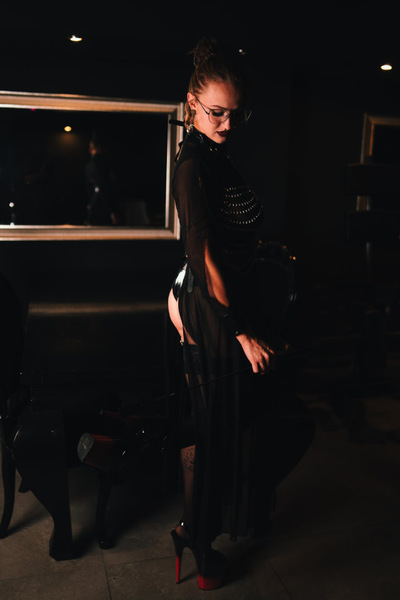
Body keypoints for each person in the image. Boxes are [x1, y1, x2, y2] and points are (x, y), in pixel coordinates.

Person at [168, 37, 315, 590]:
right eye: (216, 113)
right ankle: (198, 540)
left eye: (235, 113)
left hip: (229, 301)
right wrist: (241, 334)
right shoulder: (191, 166)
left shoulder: (216, 152)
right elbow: (205, 263)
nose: (227, 124)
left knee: (234, 426)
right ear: (191, 104)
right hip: (212, 309)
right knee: (215, 432)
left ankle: (205, 527)